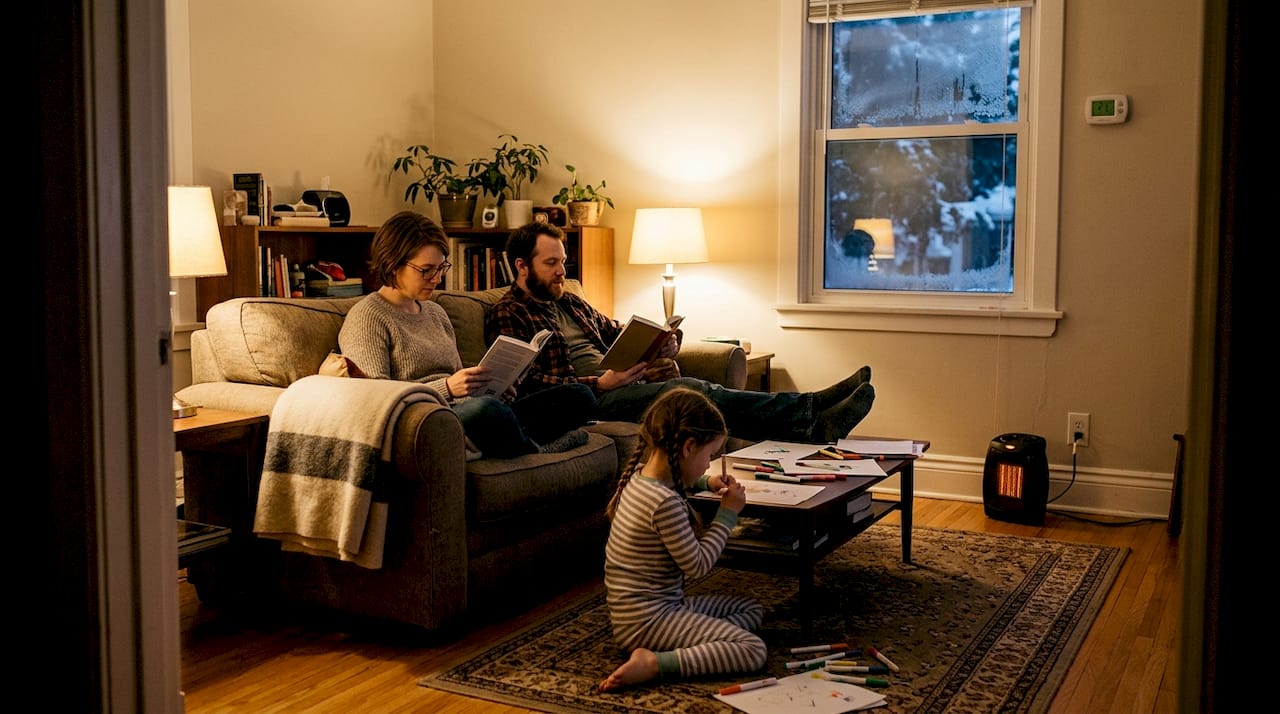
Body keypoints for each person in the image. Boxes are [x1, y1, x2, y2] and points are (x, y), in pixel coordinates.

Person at [485, 222, 875, 444]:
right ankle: (809, 411)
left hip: (621, 384)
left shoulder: (570, 301)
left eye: (563, 262)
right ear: (521, 266)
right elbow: (529, 385)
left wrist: (661, 342)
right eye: (551, 263)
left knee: (693, 391)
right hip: (588, 401)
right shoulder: (510, 313)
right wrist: (600, 383)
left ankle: (812, 423)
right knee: (689, 392)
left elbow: (618, 332)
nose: (561, 271)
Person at [338, 211, 595, 458]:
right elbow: (377, 400)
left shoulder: (435, 312)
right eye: (426, 270)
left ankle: (509, 438)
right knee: (487, 410)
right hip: (425, 419)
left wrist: (493, 388)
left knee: (578, 396)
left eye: (441, 268)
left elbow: (460, 380)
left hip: (465, 410)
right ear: (393, 264)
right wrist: (447, 388)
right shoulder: (368, 316)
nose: (437, 278)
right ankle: (534, 450)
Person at [598, 387, 765, 692]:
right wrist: (727, 514)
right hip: (648, 623)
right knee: (752, 648)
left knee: (751, 609)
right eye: (709, 456)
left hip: (644, 613)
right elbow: (697, 566)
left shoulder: (640, 476)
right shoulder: (665, 503)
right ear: (689, 447)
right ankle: (656, 663)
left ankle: (704, 638)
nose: (708, 464)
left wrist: (706, 482)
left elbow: (678, 476)